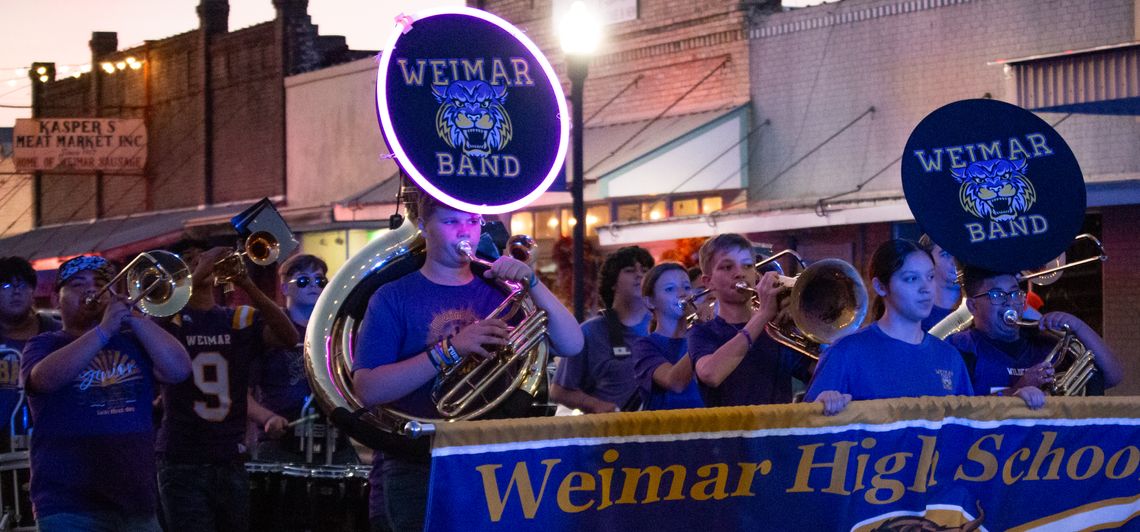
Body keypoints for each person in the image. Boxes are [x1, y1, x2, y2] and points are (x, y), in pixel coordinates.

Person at [351, 193, 583, 532]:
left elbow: (572, 344)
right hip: (419, 460)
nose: (465, 232)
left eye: (473, 222)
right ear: (423, 226)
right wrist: (452, 349)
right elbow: (368, 389)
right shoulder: (392, 296)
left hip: (494, 453)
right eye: (451, 222)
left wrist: (532, 283)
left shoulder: (502, 290)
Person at [22, 255, 191, 531]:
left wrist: (133, 316)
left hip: (137, 501)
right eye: (78, 284)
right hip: (68, 505)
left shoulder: (134, 339)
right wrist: (103, 331)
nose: (91, 290)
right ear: (55, 300)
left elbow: (179, 370)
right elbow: (43, 379)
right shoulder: (44, 343)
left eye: (101, 284)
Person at [154, 238, 299, 532]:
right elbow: (156, 328)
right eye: (189, 259)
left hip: (230, 455)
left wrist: (246, 282)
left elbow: (289, 337)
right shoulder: (171, 319)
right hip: (182, 458)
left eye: (202, 256)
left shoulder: (237, 318)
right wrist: (198, 271)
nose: (201, 261)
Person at [805, 240, 986, 416]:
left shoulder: (949, 357)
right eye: (911, 279)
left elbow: (967, 426)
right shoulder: (845, 353)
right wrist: (822, 405)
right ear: (880, 287)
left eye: (930, 277)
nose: (926, 288)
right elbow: (806, 425)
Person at [946, 264, 1123, 397]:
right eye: (997, 295)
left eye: (1015, 293)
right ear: (973, 306)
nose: (1010, 302)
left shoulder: (1046, 343)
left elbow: (1113, 376)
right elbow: (955, 410)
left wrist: (1077, 326)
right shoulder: (959, 347)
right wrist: (1017, 390)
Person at [248, 253, 357, 464]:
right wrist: (268, 418)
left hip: (335, 442)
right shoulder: (269, 332)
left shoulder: (338, 334)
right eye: (303, 280)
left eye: (320, 280)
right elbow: (242, 395)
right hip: (280, 443)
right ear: (284, 288)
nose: (313, 285)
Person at [688, 234, 812, 407]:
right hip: (730, 425)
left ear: (755, 274)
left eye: (747, 266)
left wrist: (809, 324)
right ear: (709, 282)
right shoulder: (702, 331)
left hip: (778, 424)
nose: (740, 273)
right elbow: (711, 375)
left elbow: (816, 371)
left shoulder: (776, 330)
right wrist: (762, 315)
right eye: (727, 267)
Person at [550, 246, 654, 413]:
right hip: (611, 426)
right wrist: (595, 405)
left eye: (645, 270)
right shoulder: (590, 332)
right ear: (612, 282)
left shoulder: (663, 325)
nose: (640, 275)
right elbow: (559, 391)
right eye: (629, 270)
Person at [0, 257, 59, 449]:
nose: (16, 291)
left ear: (33, 291)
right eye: (6, 285)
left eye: (23, 284)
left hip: (52, 446)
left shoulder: (56, 333)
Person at [632, 262, 703, 410]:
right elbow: (675, 383)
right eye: (670, 289)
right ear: (650, 302)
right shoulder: (644, 346)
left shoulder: (702, 335)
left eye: (687, 287)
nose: (682, 294)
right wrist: (701, 332)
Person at [918, 234, 962, 332]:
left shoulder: (979, 307)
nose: (955, 261)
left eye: (959, 253)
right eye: (945, 254)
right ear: (928, 260)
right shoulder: (917, 315)